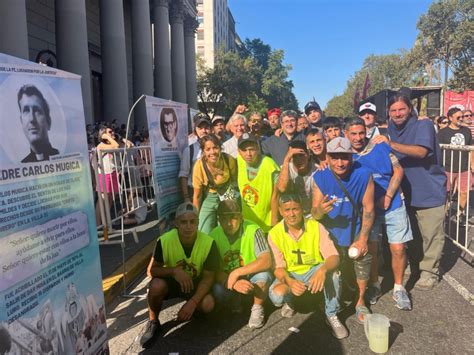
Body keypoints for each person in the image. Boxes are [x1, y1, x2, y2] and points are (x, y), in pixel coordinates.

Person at [372, 93, 446, 291]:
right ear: (388, 113)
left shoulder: (423, 125)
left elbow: (422, 151)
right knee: (411, 235)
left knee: (431, 235)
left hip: (429, 190)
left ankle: (429, 272)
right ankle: (413, 265)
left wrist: (391, 144)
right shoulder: (389, 130)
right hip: (405, 193)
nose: (397, 114)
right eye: (393, 110)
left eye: (401, 109)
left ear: (410, 109)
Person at [346, 118, 412, 310]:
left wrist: (389, 196)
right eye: (354, 134)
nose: (358, 137)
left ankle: (399, 288)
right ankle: (374, 285)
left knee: (398, 248)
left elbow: (398, 170)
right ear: (346, 134)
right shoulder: (346, 155)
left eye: (361, 133)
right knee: (372, 249)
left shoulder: (380, 146)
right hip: (368, 210)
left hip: (393, 204)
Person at [312, 137, 375, 324]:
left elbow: (369, 209)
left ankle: (360, 301)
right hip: (331, 232)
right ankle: (333, 300)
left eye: (345, 157)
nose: (340, 163)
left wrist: (363, 238)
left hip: (355, 228)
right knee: (334, 267)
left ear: (352, 157)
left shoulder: (364, 175)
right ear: (328, 158)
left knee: (362, 260)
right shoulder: (320, 177)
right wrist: (320, 211)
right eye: (335, 157)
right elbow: (314, 213)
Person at [139, 202, 219, 348]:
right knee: (156, 286)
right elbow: (151, 270)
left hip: (195, 282)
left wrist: (193, 303)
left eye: (192, 221)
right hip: (173, 282)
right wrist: (174, 271)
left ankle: (193, 310)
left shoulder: (209, 243)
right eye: (183, 222)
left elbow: (208, 277)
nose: (188, 226)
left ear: (198, 222)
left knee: (208, 304)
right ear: (176, 223)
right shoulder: (164, 241)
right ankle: (153, 322)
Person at [268, 194, 348, 339]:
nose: (291, 214)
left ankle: (331, 314)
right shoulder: (274, 233)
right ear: (280, 211)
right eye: (287, 210)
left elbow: (334, 257)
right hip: (291, 274)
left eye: (295, 209)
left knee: (334, 274)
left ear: (302, 209)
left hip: (313, 270)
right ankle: (291, 302)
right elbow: (278, 268)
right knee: (277, 294)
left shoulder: (316, 227)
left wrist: (323, 270)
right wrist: (290, 282)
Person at [210, 200, 273, 328]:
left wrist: (237, 272)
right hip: (230, 278)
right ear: (219, 220)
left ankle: (257, 308)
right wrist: (233, 283)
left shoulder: (253, 229)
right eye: (224, 219)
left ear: (241, 217)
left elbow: (266, 260)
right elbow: (215, 270)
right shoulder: (213, 236)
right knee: (217, 290)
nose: (229, 223)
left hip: (251, 275)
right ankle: (236, 301)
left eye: (233, 218)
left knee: (264, 277)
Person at [193, 135, 238, 234]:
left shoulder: (228, 160)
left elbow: (235, 181)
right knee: (203, 230)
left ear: (220, 148)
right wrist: (195, 217)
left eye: (215, 148)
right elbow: (197, 195)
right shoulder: (199, 166)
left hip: (227, 193)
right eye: (208, 149)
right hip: (210, 196)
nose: (212, 152)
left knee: (229, 227)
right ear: (203, 152)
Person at [438, 107, 474, 225]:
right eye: (458, 117)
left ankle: (460, 214)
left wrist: (472, 164)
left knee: (464, 192)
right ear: (450, 118)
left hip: (464, 168)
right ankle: (444, 215)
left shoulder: (466, 131)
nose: (461, 119)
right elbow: (438, 150)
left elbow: (471, 149)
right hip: (447, 168)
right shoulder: (443, 132)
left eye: (462, 116)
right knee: (446, 193)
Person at [237, 133, 280, 232]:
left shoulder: (270, 165)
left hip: (266, 223)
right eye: (244, 150)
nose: (248, 154)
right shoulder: (238, 161)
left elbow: (276, 195)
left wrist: (274, 219)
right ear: (239, 151)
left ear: (257, 148)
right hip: (247, 224)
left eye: (251, 149)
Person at [17, 84, 59, 162]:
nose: (32, 119)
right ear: (21, 121)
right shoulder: (22, 165)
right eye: (26, 111)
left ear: (48, 121)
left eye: (37, 111)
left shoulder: (61, 157)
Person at [277, 140, 315, 216]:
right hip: (293, 214)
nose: (298, 160)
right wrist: (286, 160)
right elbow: (281, 188)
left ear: (308, 154)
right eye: (294, 156)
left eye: (301, 155)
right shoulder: (285, 168)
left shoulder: (317, 170)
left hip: (312, 213)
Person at [179, 116, 212, 202]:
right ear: (195, 130)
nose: (204, 131)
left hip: (213, 191)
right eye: (200, 128)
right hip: (194, 191)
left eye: (206, 128)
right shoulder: (189, 150)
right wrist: (186, 197)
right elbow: (184, 175)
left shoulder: (216, 148)